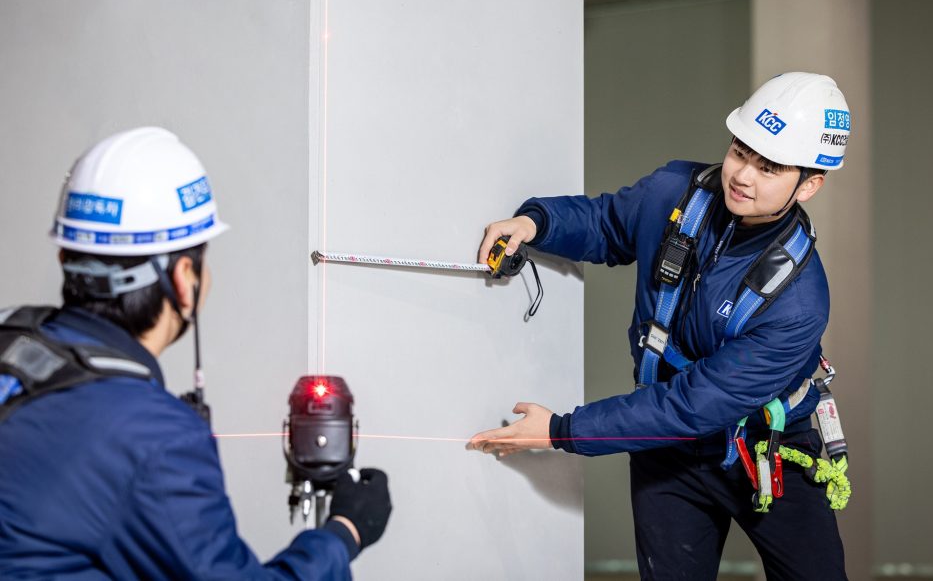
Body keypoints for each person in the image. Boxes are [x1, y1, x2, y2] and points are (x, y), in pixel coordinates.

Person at [469, 73, 851, 580]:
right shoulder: (675, 193)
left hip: (767, 453)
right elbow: (606, 223)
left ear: (809, 184)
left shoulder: (797, 303)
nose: (742, 175)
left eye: (770, 166)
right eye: (741, 150)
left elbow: (694, 405)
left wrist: (562, 432)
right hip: (667, 455)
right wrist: (536, 223)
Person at [0, 127, 392, 580]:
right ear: (184, 278)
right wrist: (344, 533)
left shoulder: (11, 342)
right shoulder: (151, 438)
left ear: (66, 258)